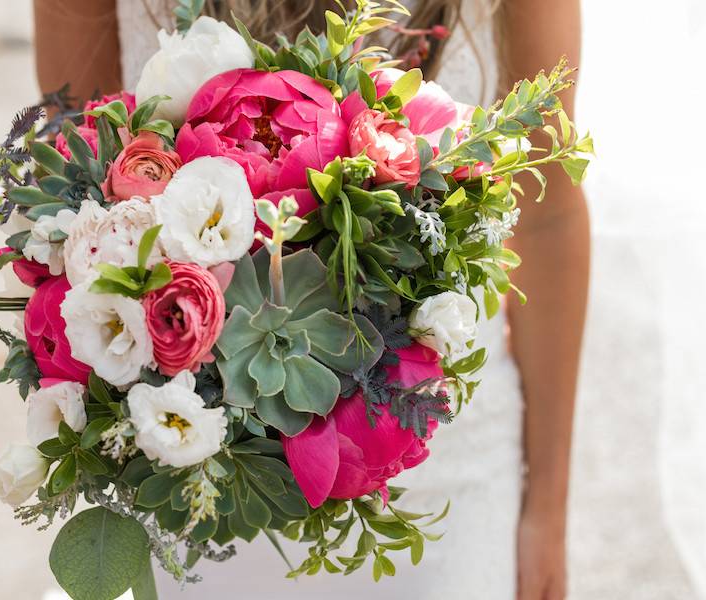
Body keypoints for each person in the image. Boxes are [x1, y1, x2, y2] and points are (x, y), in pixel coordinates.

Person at [32, 1, 590, 598]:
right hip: (191, 481)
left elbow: (547, 219)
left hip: (439, 473)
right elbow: (76, 184)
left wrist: (548, 513)